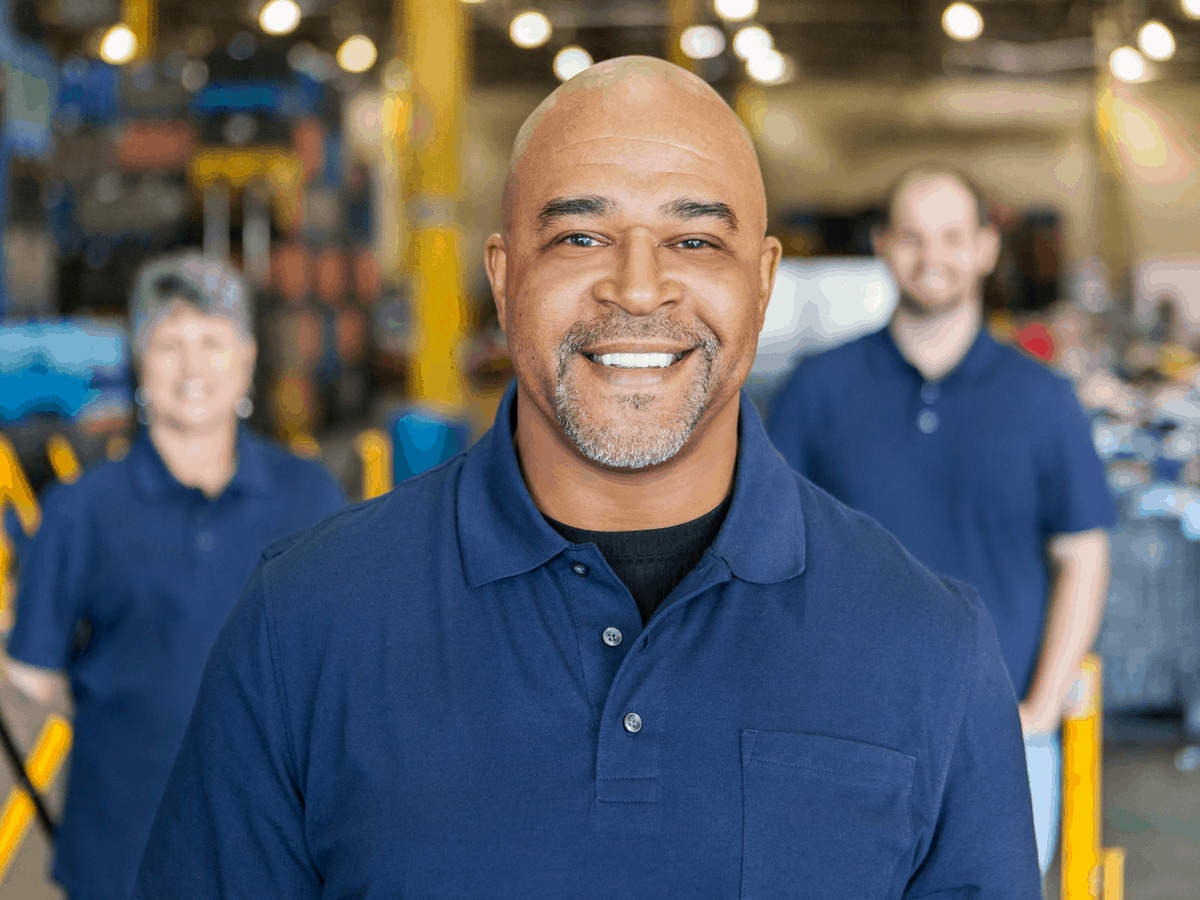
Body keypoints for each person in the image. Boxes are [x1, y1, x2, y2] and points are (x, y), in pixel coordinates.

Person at [134, 60, 1040, 899]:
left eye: (693, 241)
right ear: (502, 275)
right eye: (579, 235)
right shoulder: (304, 623)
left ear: (763, 284)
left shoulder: (932, 650)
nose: (638, 290)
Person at [766, 166, 1116, 879]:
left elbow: (1083, 555)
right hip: (847, 736)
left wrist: (1041, 710)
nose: (935, 257)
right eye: (914, 237)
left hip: (1008, 739)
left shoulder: (1043, 400)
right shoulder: (819, 389)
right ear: (884, 246)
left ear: (987, 247)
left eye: (954, 237)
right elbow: (768, 552)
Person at [3, 253, 346, 900]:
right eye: (169, 344)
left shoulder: (308, 497)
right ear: (140, 363)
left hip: (275, 855)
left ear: (245, 359)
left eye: (212, 342)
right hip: (121, 853)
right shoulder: (82, 511)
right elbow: (31, 672)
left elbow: (351, 656)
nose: (192, 368)